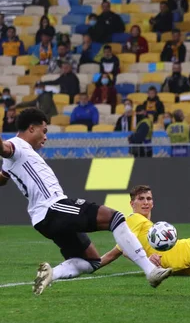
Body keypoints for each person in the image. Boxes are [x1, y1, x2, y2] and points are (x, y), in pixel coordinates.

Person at [0, 108, 171, 295]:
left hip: (42, 219)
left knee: (92, 261)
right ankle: (151, 271)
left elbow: (3, 178)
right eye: (44, 131)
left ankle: (51, 274)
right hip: (53, 207)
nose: (46, 137)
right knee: (115, 218)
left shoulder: (14, 158)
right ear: (31, 129)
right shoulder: (15, 146)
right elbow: (4, 148)